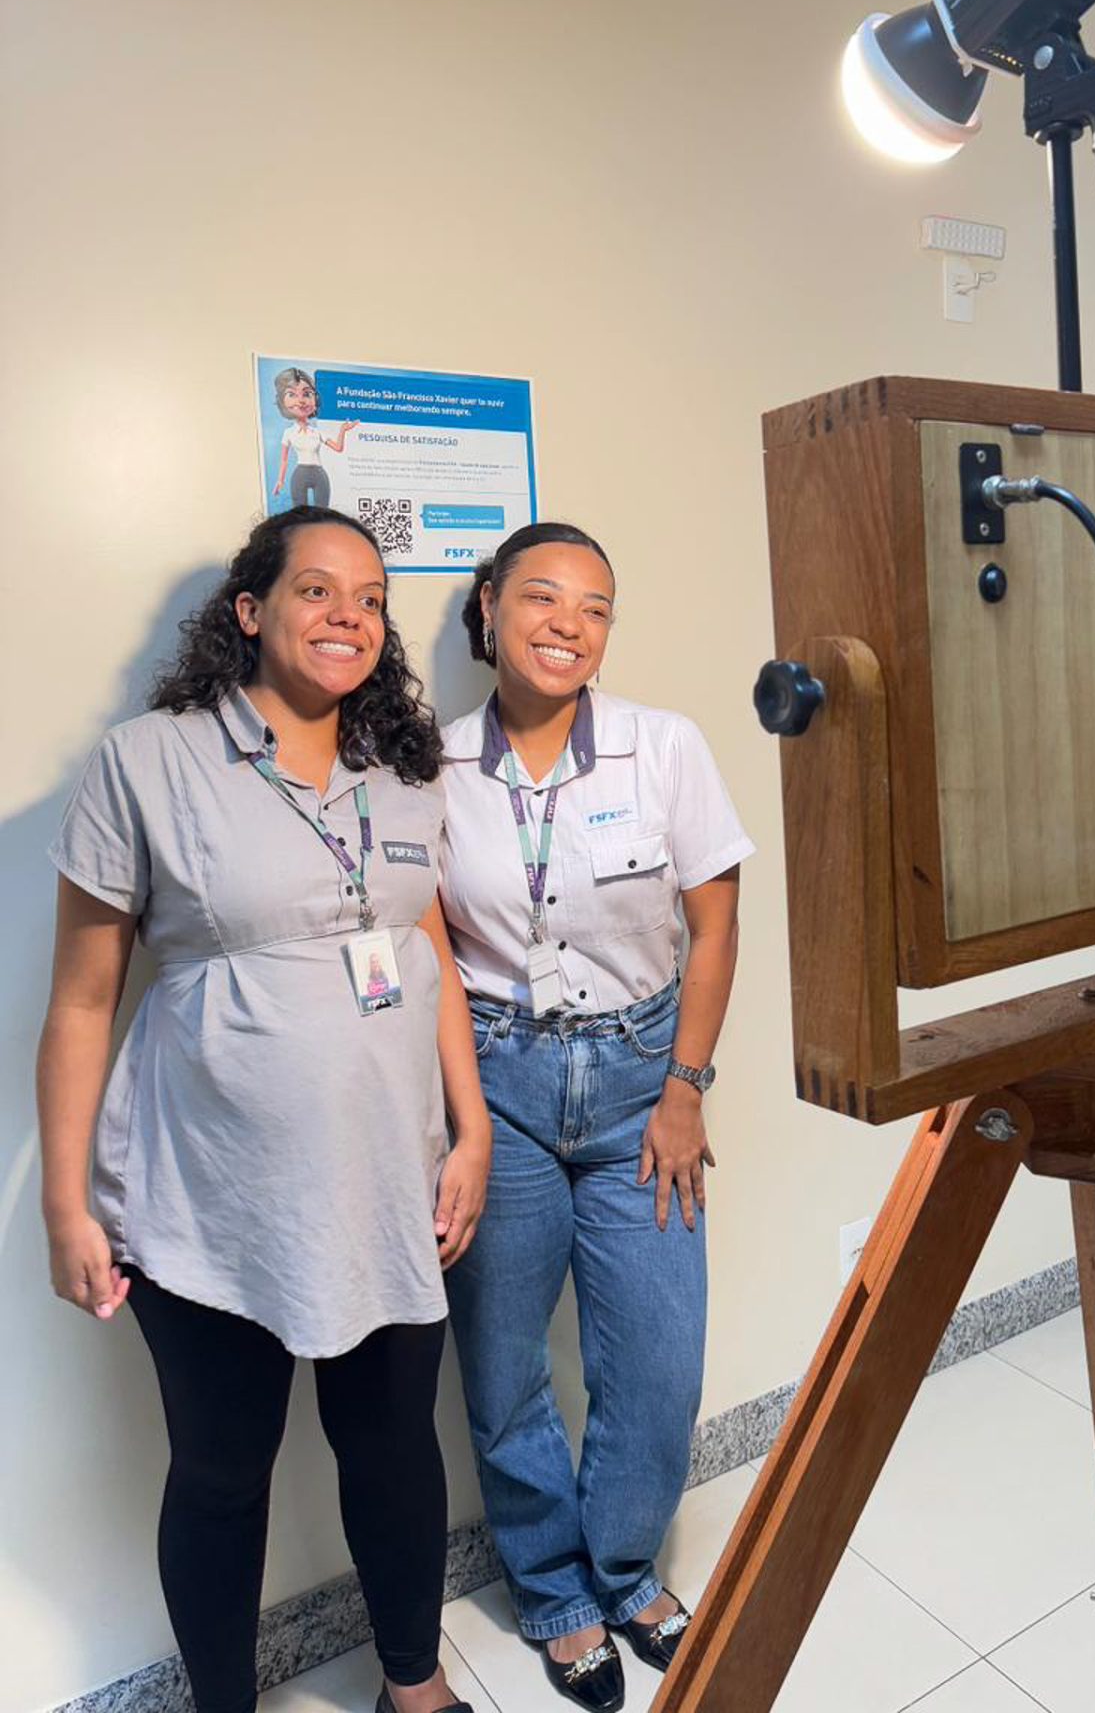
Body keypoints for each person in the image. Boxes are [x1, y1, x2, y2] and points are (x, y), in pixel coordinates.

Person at [36, 506, 491, 1713]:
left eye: (371, 598)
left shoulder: (403, 770)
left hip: (388, 1181)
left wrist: (473, 1128)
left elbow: (427, 949)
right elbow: (82, 1001)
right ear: (250, 610)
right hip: (208, 1195)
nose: (350, 615)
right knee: (223, 1472)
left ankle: (414, 1684)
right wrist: (65, 1205)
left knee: (394, 1448)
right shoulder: (151, 761)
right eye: (317, 590)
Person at [439, 521, 753, 1711]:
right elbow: (427, 941)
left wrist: (685, 1089)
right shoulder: (431, 766)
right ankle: (555, 1592)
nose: (568, 624)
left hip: (639, 1086)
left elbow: (714, 928)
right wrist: (464, 1119)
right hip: (499, 1088)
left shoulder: (662, 747)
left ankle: (624, 1571)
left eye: (596, 606)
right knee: (504, 1365)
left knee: (659, 1362)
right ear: (488, 609)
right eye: (542, 597)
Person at [271, 365, 357, 508]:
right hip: (300, 473)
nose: (301, 401)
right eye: (292, 394)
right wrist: (280, 481)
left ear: (315, 400)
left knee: (323, 511)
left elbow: (338, 448)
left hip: (319, 473)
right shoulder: (289, 433)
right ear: (283, 402)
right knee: (300, 512)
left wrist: (343, 430)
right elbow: (284, 460)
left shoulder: (317, 432)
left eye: (306, 394)